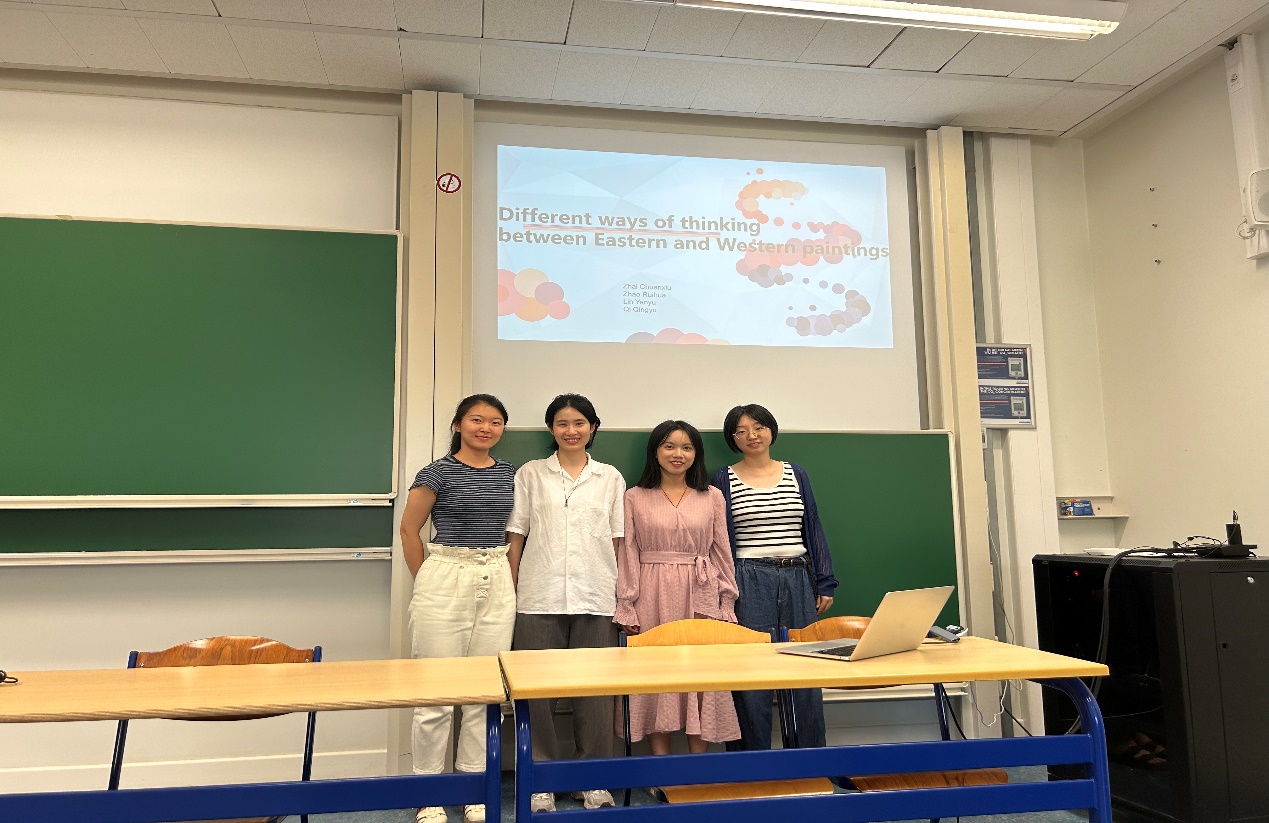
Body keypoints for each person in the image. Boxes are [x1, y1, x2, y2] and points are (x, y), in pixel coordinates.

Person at [398, 394, 517, 823]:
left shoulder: (509, 473)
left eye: (495, 422)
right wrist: (426, 582)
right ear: (458, 425)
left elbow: (513, 531)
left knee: (483, 694)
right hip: (446, 574)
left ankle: (472, 790)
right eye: (476, 420)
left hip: (496, 576)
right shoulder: (437, 472)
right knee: (436, 694)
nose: (485, 428)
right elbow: (409, 530)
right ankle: (429, 795)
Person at [507, 394, 626, 812]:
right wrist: (513, 587)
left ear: (593, 427)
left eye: (579, 423)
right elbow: (517, 534)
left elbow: (617, 540)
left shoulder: (610, 477)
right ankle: (540, 778)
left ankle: (590, 778)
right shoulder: (530, 474)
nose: (571, 431)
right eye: (562, 423)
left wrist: (620, 593)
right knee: (535, 692)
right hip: (538, 595)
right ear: (551, 429)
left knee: (595, 693)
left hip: (596, 594)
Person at [710, 403, 838, 750]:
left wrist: (824, 581)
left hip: (797, 575)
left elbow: (812, 526)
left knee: (805, 669)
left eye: (759, 427)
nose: (751, 435)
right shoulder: (723, 479)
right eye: (741, 431)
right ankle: (752, 766)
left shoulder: (797, 473)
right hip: (748, 578)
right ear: (732, 438)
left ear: (771, 431)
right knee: (751, 675)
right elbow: (719, 539)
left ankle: (810, 762)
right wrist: (725, 590)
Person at [614, 420, 740, 754]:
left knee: (701, 674)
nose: (677, 454)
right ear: (655, 451)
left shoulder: (712, 496)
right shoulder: (634, 497)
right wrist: (626, 603)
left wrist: (726, 600)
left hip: (700, 591)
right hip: (650, 591)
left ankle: (699, 767)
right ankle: (661, 765)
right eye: (669, 446)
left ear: (696, 454)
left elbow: (721, 551)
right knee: (654, 674)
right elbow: (628, 552)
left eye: (686, 447)